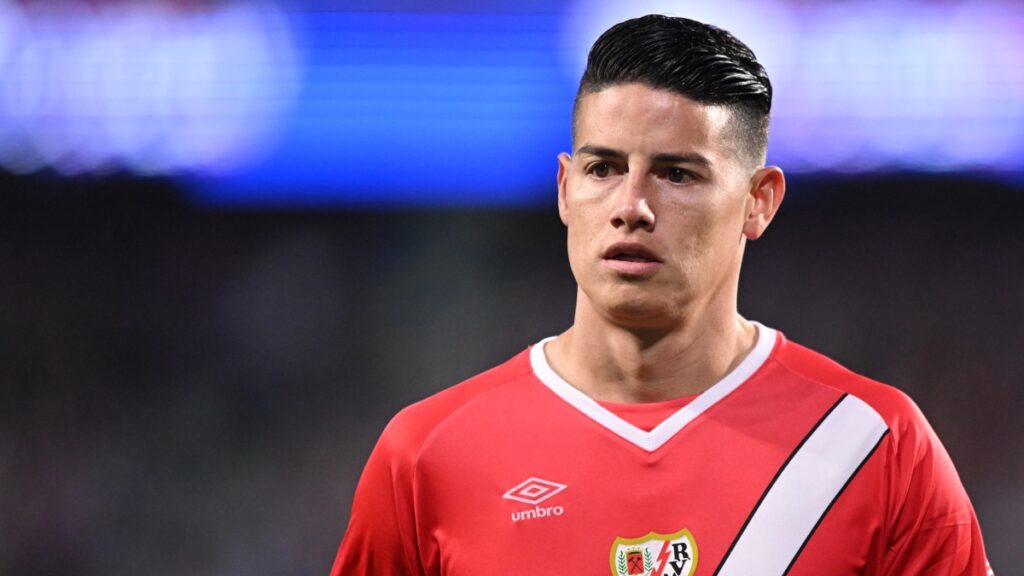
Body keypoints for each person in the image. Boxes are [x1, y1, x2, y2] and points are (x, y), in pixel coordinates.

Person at [331, 14, 991, 575]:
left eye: (677, 174)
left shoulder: (875, 446)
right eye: (603, 169)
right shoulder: (428, 453)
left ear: (758, 202)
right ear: (565, 188)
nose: (632, 207)